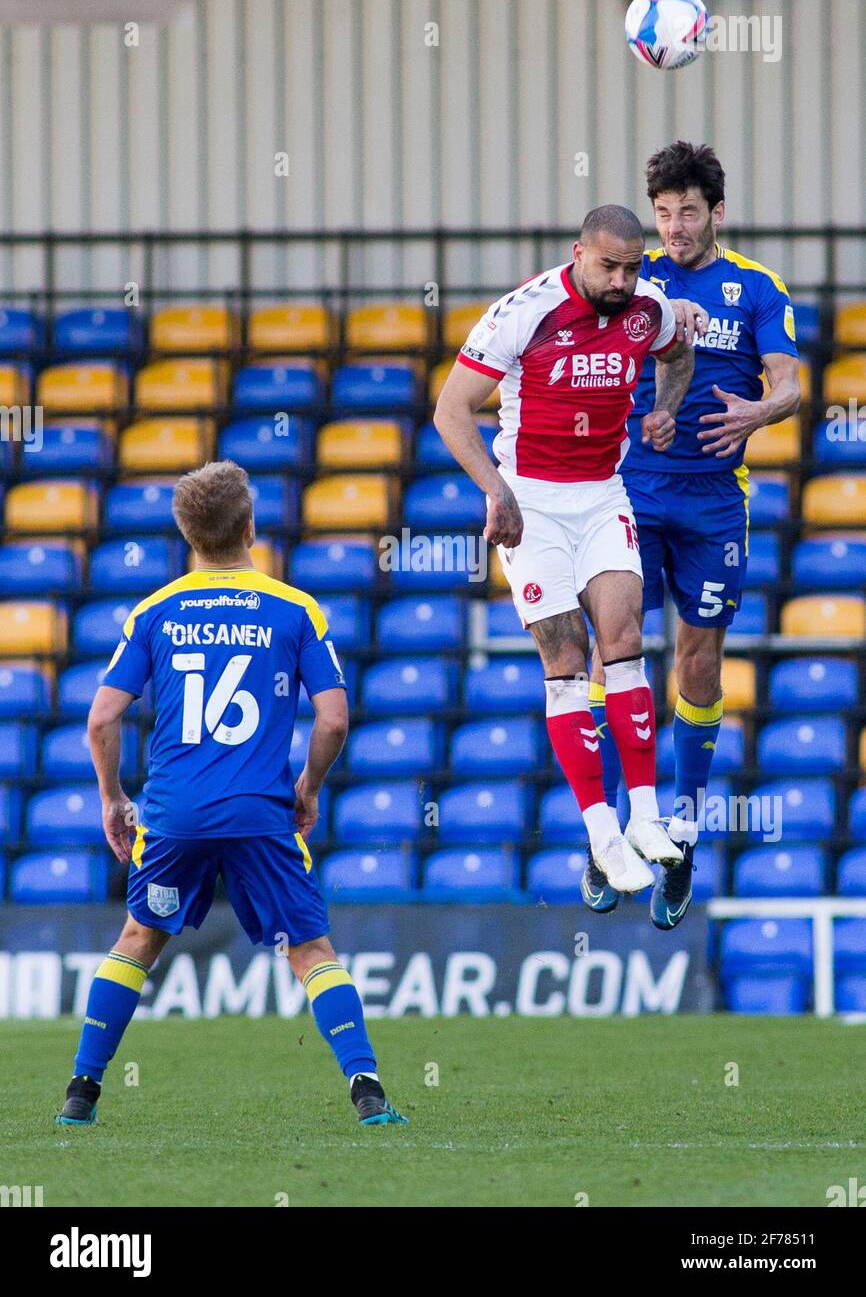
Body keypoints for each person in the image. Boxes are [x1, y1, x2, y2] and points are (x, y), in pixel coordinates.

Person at [56, 459, 407, 1128]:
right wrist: (309, 785)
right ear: (250, 527)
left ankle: (81, 1092)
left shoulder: (154, 610)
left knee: (138, 937)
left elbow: (102, 718)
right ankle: (368, 1092)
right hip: (260, 811)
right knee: (309, 951)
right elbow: (334, 717)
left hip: (173, 812)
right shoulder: (295, 608)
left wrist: (111, 799)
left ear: (188, 536)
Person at [434, 205, 696, 895]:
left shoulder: (649, 308)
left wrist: (665, 407)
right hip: (532, 502)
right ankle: (602, 834)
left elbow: (676, 351)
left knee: (627, 638)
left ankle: (644, 817)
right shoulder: (527, 311)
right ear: (578, 253)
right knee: (567, 658)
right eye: (608, 266)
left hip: (603, 493)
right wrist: (496, 493)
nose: (620, 280)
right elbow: (451, 409)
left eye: (632, 267)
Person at [588, 142, 800, 928]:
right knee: (618, 650)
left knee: (696, 659)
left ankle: (681, 829)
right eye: (664, 212)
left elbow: (789, 384)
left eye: (688, 212)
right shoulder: (629, 282)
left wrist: (757, 411)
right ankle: (610, 829)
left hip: (714, 503)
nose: (673, 227)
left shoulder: (755, 289)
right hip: (630, 495)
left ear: (717, 213)